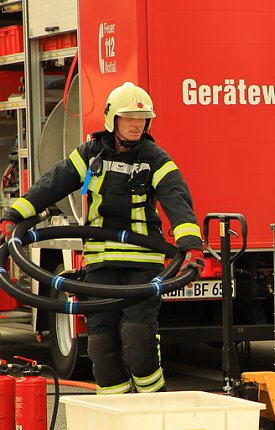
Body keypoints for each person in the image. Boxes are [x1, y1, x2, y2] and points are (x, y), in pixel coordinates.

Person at [1, 81, 203, 395]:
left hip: (141, 265)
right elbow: (52, 184)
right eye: (130, 117)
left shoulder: (155, 159)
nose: (138, 124)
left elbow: (177, 201)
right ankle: (116, 410)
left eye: (143, 118)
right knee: (101, 344)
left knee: (138, 339)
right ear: (113, 119)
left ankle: (152, 406)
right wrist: (14, 215)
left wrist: (190, 247)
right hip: (100, 265)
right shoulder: (90, 154)